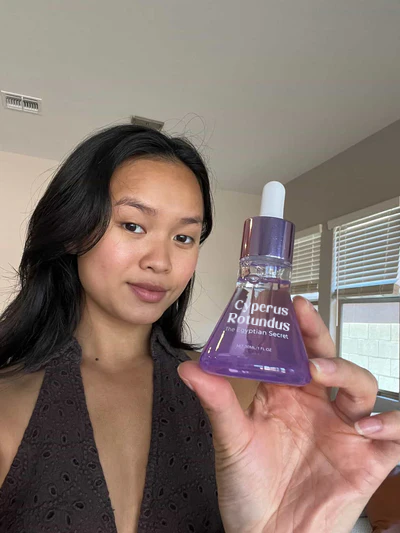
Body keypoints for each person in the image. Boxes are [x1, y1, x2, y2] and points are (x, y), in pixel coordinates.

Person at [0, 125, 399, 533]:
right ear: (73, 229)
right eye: (133, 225)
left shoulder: (239, 396)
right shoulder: (7, 404)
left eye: (183, 237)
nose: (161, 262)